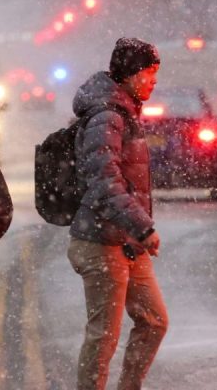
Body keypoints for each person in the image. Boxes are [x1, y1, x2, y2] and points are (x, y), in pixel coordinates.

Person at [67, 37, 169, 390]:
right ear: (129, 74)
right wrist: (142, 227)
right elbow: (103, 180)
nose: (154, 81)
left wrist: (136, 233)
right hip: (100, 241)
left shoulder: (125, 111)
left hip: (125, 241)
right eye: (149, 73)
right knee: (103, 336)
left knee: (154, 320)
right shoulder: (108, 115)